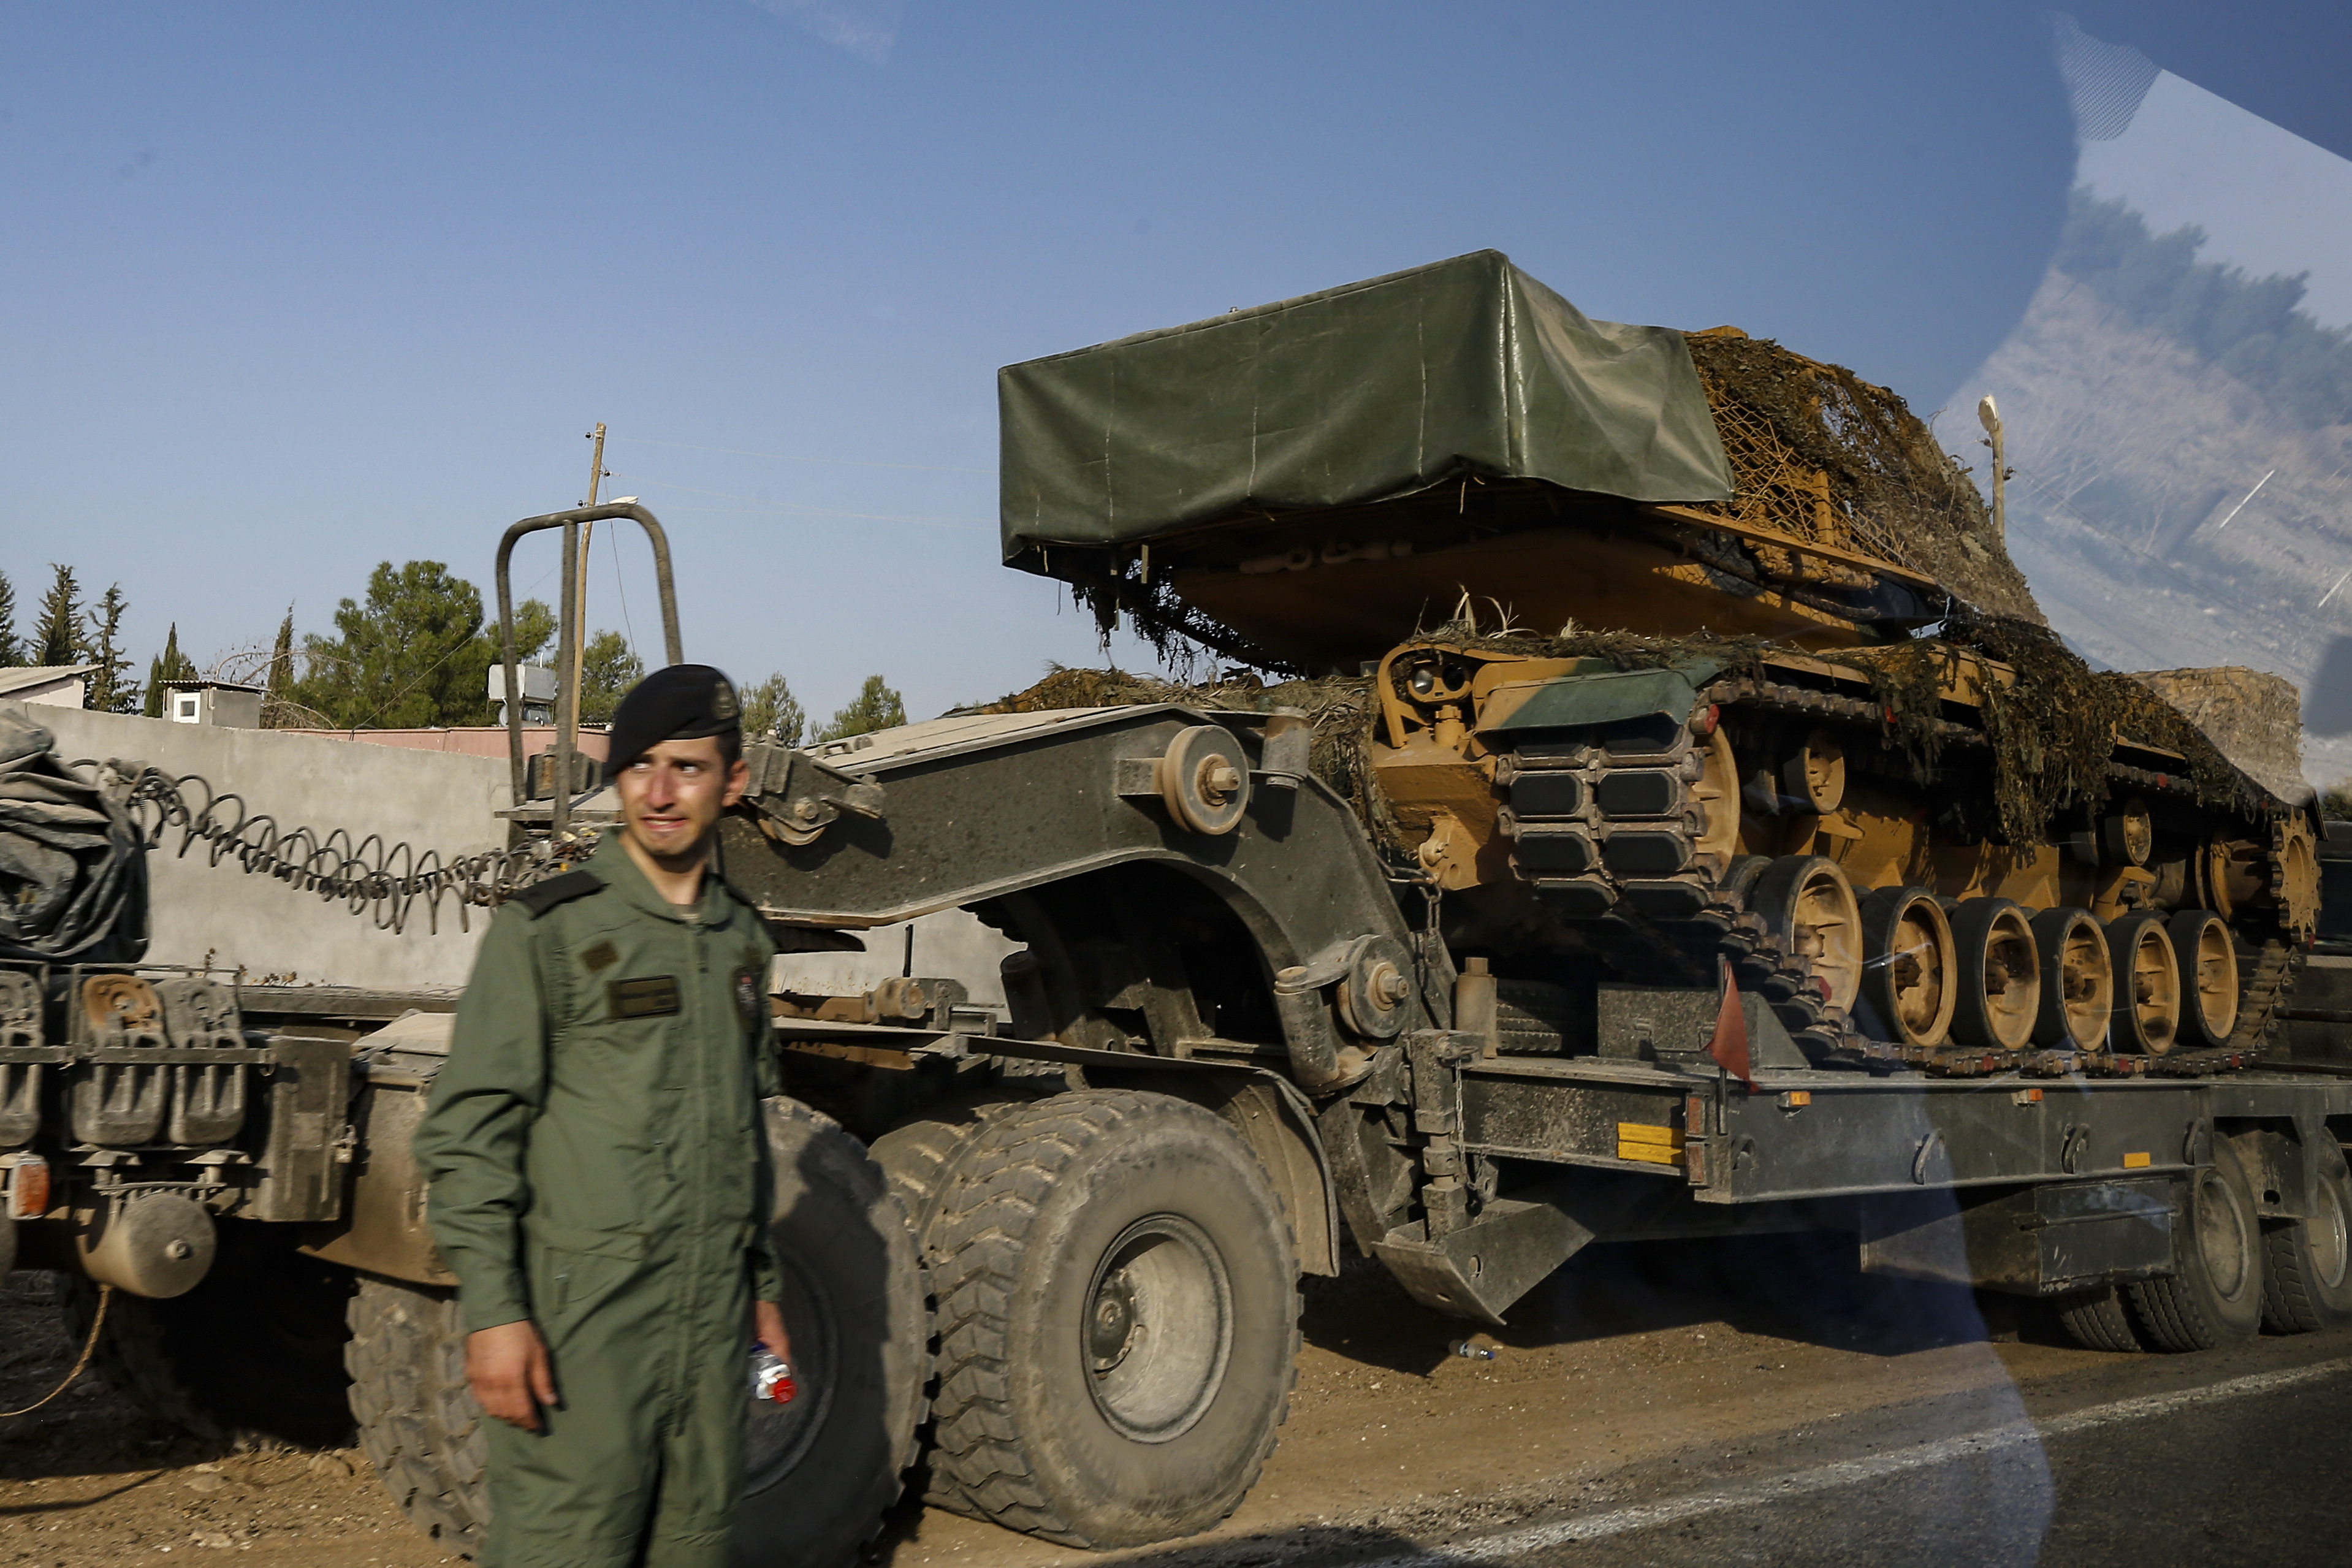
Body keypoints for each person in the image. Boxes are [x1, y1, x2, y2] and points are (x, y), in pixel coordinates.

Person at [416, 664, 788, 1568]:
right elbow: (467, 1134)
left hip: (707, 1343)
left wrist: (764, 1291)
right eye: (640, 767)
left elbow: (746, 1131)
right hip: (584, 1338)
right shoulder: (551, 933)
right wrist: (496, 1313)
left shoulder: (742, 939)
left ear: (731, 783)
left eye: (688, 768)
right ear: (616, 778)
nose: (660, 793)